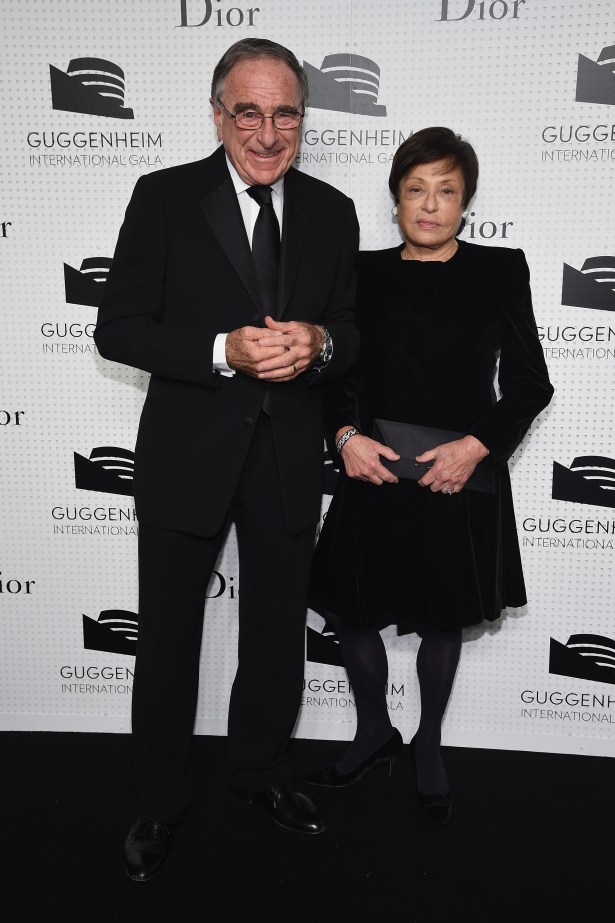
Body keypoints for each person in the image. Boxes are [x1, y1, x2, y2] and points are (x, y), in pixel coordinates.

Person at [94, 38, 359, 881]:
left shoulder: (334, 210)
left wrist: (318, 342)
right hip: (187, 454)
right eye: (249, 111)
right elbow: (119, 328)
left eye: (286, 113)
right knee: (168, 638)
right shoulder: (164, 197)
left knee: (277, 635)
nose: (268, 132)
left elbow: (353, 334)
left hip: (286, 454)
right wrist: (221, 350)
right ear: (218, 114)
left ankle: (259, 773)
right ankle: (159, 802)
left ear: (302, 120)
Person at [306, 127, 553, 824]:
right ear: (394, 198)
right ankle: (371, 731)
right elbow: (333, 372)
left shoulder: (499, 269)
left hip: (458, 476)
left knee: (444, 616)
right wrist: (345, 436)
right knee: (350, 612)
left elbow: (531, 384)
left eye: (445, 190)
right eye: (415, 188)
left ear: (465, 200)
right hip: (372, 470)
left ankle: (429, 742)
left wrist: (476, 446)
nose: (429, 203)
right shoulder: (361, 273)